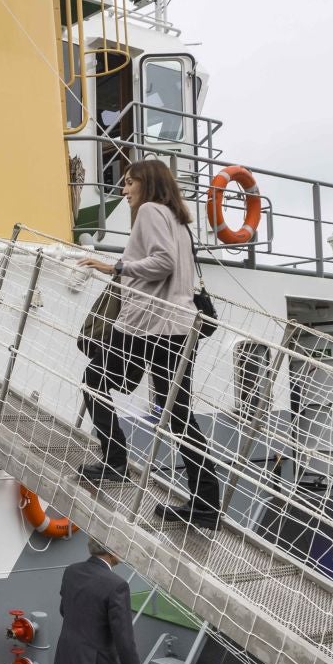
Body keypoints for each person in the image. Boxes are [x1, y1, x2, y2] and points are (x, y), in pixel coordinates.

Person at [74, 159, 222, 527]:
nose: (124, 191)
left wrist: (117, 267)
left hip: (149, 326)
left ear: (146, 183)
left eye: (129, 183)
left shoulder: (151, 211)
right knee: (178, 415)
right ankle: (205, 504)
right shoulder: (178, 219)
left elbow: (163, 263)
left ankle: (115, 461)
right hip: (176, 328)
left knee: (94, 380)